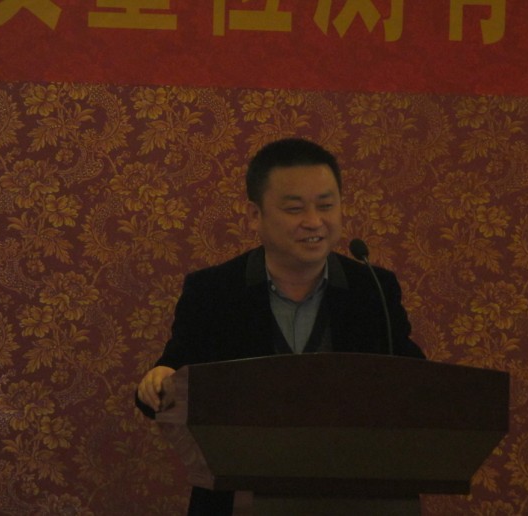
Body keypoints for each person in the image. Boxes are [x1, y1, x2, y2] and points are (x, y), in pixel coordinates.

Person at [136, 137, 425, 515]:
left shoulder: (372, 288)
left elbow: (413, 380)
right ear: (255, 215)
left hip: (359, 496)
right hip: (238, 497)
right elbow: (174, 373)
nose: (314, 222)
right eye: (294, 208)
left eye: (326, 205)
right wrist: (160, 380)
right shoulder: (214, 290)